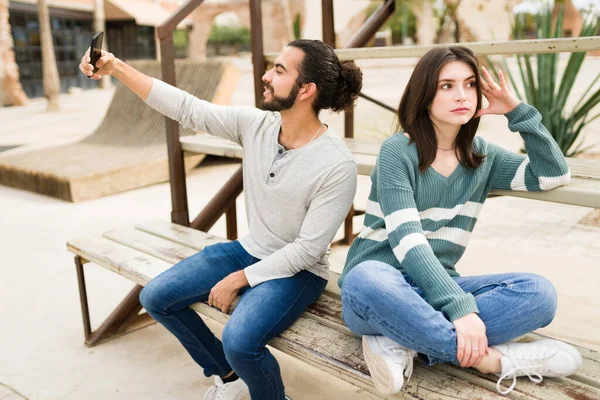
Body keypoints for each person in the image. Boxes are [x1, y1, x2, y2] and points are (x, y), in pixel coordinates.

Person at [79, 39, 361, 400]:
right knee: (156, 297)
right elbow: (187, 108)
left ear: (306, 90)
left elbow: (307, 251)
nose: (265, 76)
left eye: (278, 70)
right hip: (249, 249)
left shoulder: (337, 165)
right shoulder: (256, 125)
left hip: (299, 272)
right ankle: (229, 376)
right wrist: (117, 68)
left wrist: (240, 279)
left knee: (241, 342)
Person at [337, 46, 581, 396]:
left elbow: (553, 174)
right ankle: (498, 361)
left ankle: (404, 339)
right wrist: (461, 311)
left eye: (469, 84)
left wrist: (516, 112)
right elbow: (409, 242)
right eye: (446, 86)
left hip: (435, 290)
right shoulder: (398, 151)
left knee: (539, 294)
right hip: (379, 289)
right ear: (424, 93)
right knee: (364, 278)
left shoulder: (482, 157)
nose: (462, 95)